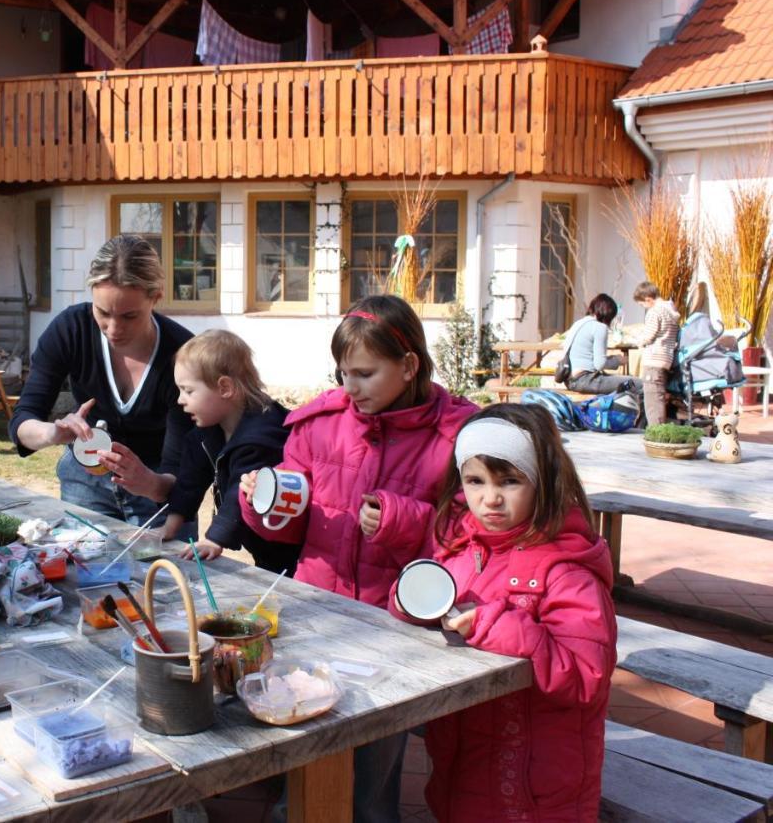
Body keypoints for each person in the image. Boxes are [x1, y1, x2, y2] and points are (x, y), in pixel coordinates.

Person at [237, 294, 478, 823]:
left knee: (374, 762)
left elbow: (475, 533)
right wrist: (264, 501)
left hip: (394, 625)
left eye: (365, 374)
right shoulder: (321, 423)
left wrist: (401, 520)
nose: (349, 388)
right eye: (343, 373)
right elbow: (291, 523)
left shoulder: (457, 437)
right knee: (304, 743)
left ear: (409, 364)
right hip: (318, 607)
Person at [393, 403, 616, 821]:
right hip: (464, 763)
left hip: (535, 786)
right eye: (474, 481)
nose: (489, 498)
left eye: (509, 481)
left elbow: (587, 676)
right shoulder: (464, 550)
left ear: (542, 482)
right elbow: (441, 597)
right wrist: (413, 600)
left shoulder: (566, 570)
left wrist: (496, 625)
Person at [8, 234, 193, 526]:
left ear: (156, 296)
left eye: (130, 316)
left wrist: (149, 484)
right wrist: (52, 433)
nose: (113, 328)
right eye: (103, 312)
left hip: (156, 489)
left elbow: (182, 473)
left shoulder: (182, 354)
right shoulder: (71, 330)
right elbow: (22, 422)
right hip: (84, 479)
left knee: (167, 572)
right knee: (84, 570)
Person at [160, 330, 297, 574]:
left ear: (224, 387)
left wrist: (215, 539)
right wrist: (170, 526)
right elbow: (190, 482)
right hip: (262, 542)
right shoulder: (208, 430)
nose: (180, 399)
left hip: (288, 542)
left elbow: (240, 491)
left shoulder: (262, 436)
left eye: (188, 391)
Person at [565, 293, 643, 398]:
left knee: (625, 382)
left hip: (570, 380)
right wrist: (618, 360)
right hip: (587, 380)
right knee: (640, 384)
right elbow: (599, 364)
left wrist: (612, 359)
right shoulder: (599, 327)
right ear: (608, 315)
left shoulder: (578, 323)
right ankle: (638, 414)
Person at [633, 281, 681, 427]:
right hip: (666, 358)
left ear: (648, 299)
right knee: (659, 397)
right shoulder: (670, 310)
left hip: (654, 359)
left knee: (653, 401)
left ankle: (656, 434)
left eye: (642, 304)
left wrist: (637, 340)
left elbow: (649, 335)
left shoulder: (655, 311)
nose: (644, 307)